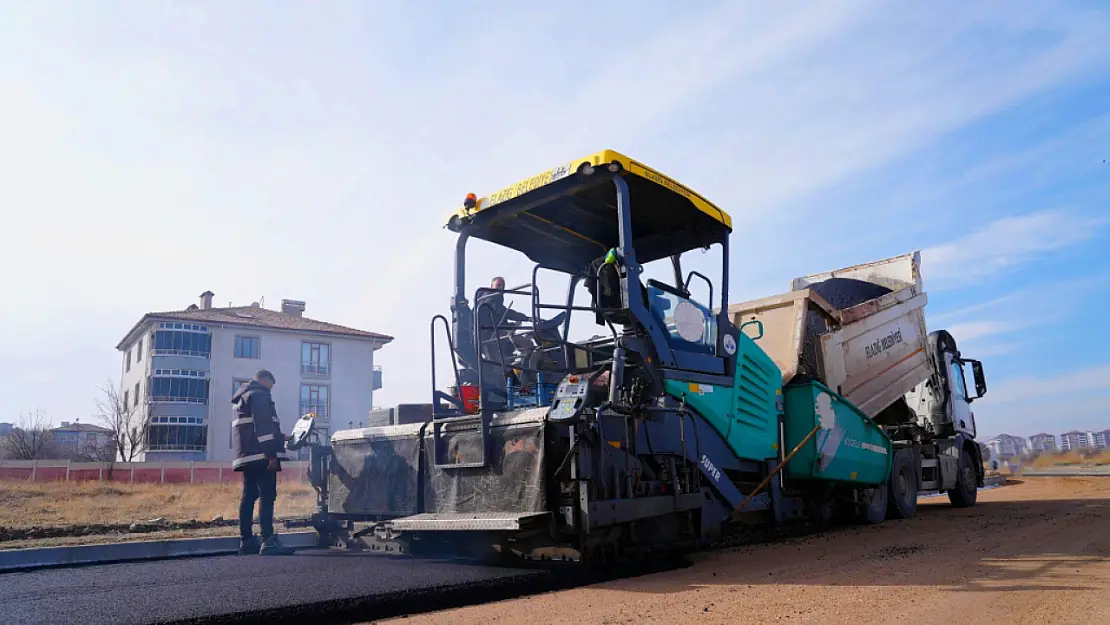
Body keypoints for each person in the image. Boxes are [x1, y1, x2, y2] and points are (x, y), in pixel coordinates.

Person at [232, 369, 296, 556]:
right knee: (267, 495)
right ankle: (268, 541)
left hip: (247, 455)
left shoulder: (242, 396)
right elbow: (263, 427)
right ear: (264, 380)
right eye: (271, 386)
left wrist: (282, 437)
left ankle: (246, 541)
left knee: (249, 496)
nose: (271, 390)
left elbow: (253, 426)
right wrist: (272, 455)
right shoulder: (259, 394)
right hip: (262, 455)